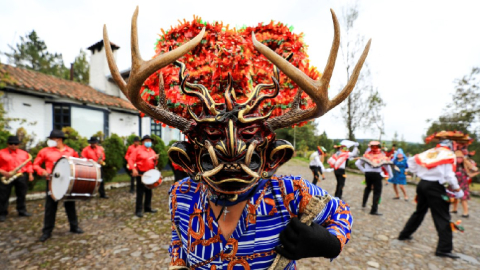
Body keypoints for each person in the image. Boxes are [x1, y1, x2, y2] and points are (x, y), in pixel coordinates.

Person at [104, 6, 369, 267]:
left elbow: (341, 213)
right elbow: (178, 237)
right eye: (214, 137)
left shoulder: (289, 192)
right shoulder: (181, 195)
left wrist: (329, 241)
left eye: (247, 137)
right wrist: (178, 262)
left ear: (273, 158)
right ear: (188, 160)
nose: (231, 149)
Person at [398, 139, 464, 259]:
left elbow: (411, 161)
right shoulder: (449, 154)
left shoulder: (429, 152)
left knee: (419, 212)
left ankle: (404, 234)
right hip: (435, 187)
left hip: (422, 184)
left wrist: (418, 172)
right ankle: (444, 249)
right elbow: (449, 175)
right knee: (442, 216)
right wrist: (458, 190)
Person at [33, 130, 83, 242]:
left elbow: (77, 163)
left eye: (52, 139)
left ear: (58, 140)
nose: (50, 141)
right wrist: (42, 171)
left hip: (68, 182)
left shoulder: (71, 151)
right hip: (52, 182)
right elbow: (35, 164)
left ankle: (74, 227)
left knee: (70, 204)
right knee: (50, 207)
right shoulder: (44, 151)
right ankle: (47, 231)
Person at [0, 136, 34, 222]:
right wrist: (3, 172)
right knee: (3, 195)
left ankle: (22, 211)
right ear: (7, 144)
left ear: (19, 144)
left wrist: (30, 174)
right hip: (7, 175)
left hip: (21, 175)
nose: (13, 145)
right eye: (11, 144)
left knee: (22, 194)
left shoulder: (24, 153)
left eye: (16, 144)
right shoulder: (1, 153)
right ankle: (2, 213)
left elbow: (29, 164)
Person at [355, 141, 393, 215]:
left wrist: (364, 170)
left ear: (370, 147)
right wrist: (390, 175)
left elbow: (357, 163)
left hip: (368, 174)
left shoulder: (366, 155)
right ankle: (374, 210)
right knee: (377, 192)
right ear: (379, 146)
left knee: (368, 188)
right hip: (377, 174)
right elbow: (387, 166)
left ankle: (364, 203)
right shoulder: (382, 156)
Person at [128, 135, 158, 218]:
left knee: (149, 191)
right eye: (146, 141)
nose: (148, 142)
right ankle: (138, 210)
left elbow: (154, 163)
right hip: (141, 173)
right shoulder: (137, 150)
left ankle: (147, 207)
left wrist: (156, 159)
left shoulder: (152, 151)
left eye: (149, 141)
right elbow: (130, 159)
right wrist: (133, 169)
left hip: (150, 173)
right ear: (142, 142)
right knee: (140, 192)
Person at [449, 150, 470, 218]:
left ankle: (466, 213)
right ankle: (454, 209)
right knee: (455, 195)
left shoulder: (465, 164)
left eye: (460, 157)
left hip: (463, 183)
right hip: (455, 182)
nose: (459, 159)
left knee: (463, 198)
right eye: (458, 157)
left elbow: (472, 170)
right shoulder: (453, 164)